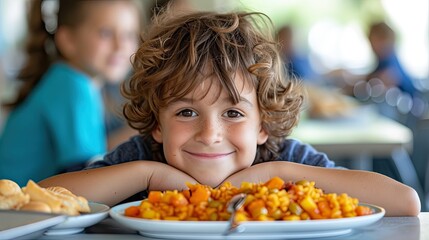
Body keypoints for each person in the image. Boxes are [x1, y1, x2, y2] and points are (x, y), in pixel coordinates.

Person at [39, 9, 420, 216]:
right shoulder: (144, 156)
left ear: (263, 125)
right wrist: (148, 173)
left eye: (234, 114)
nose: (210, 134)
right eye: (187, 112)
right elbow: (44, 197)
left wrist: (278, 173)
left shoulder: (283, 160)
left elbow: (406, 202)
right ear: (157, 125)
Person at [0, 0, 141, 186]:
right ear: (68, 40)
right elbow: (88, 172)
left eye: (129, 35)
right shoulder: (72, 86)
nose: (120, 45)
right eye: (106, 33)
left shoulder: (68, 80)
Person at [366, 21, 416, 97]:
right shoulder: (383, 60)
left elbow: (391, 77)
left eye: (373, 41)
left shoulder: (390, 61)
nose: (372, 46)